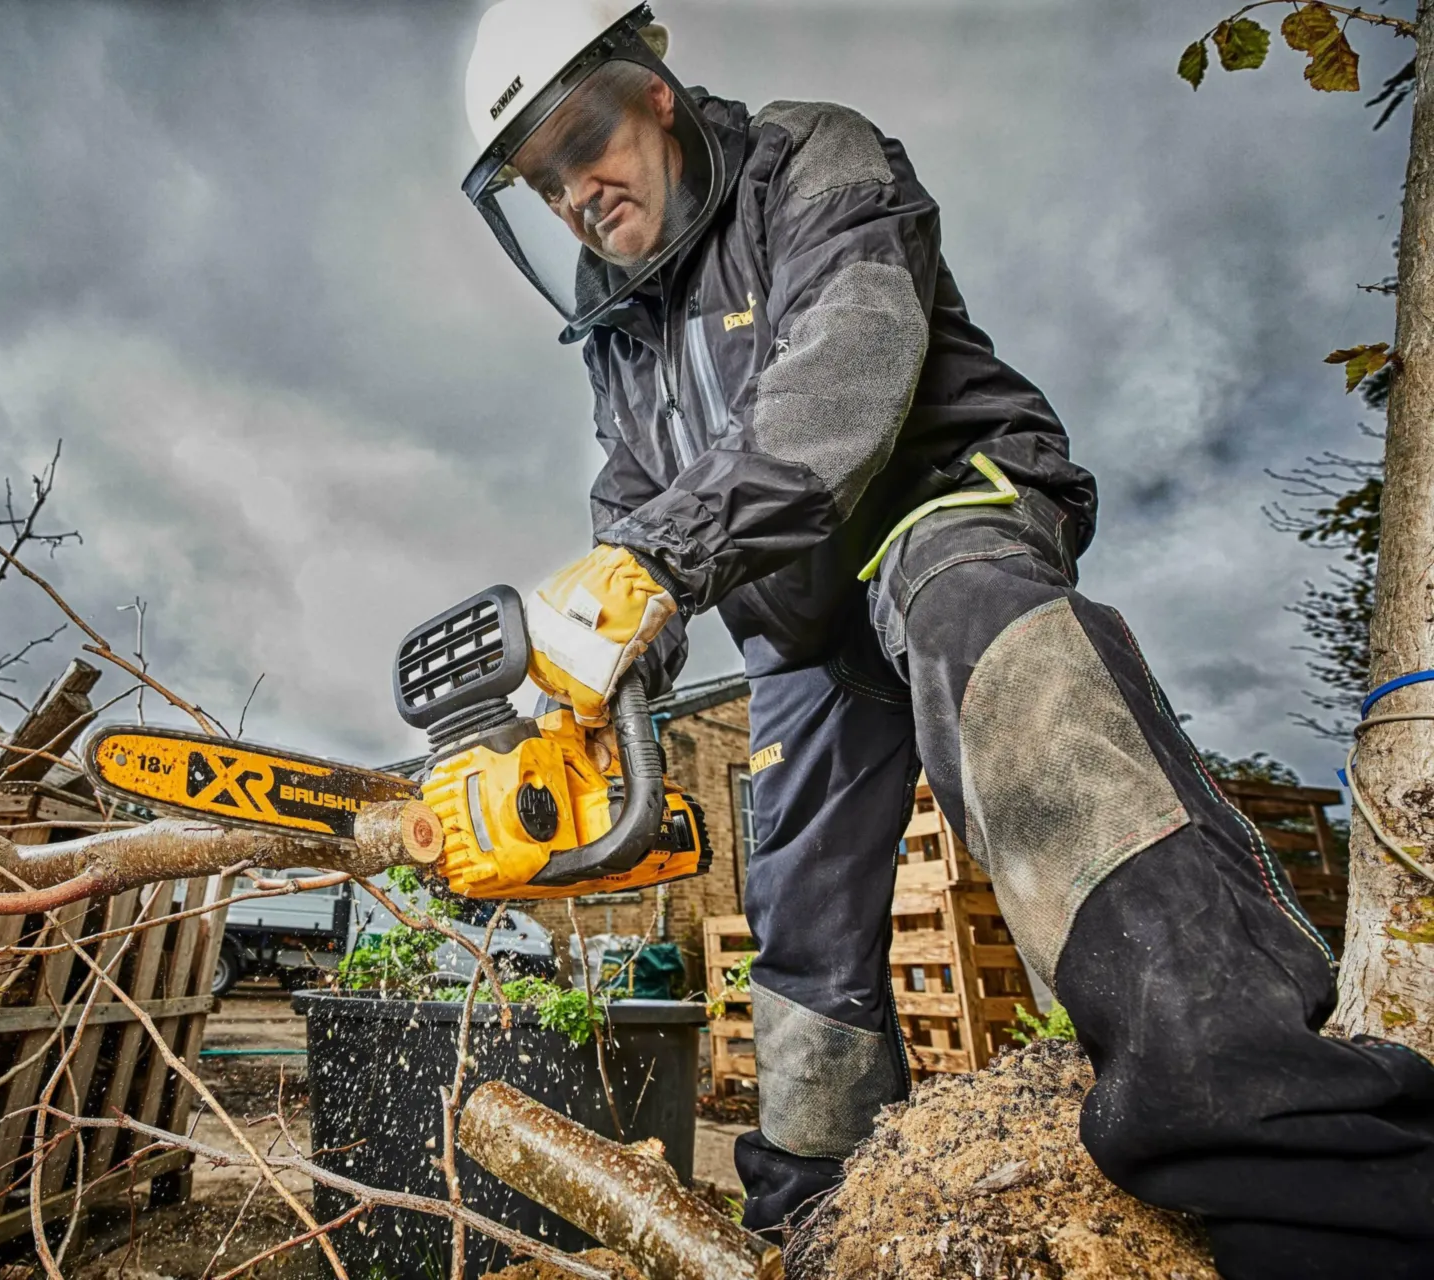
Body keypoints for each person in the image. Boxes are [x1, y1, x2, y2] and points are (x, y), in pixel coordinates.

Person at [456, 2, 1434, 1276]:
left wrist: (660, 555)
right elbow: (632, 500)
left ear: (652, 87)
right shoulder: (615, 313)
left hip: (935, 498)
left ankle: (1282, 1150)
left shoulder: (815, 159)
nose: (575, 192)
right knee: (798, 899)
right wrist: (596, 664)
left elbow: (845, 372)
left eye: (582, 139)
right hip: (800, 614)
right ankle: (813, 1202)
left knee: (987, 631)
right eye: (542, 180)